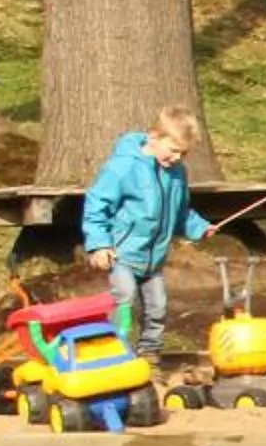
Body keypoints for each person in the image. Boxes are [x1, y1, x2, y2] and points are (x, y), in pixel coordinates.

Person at [81, 106, 214, 358]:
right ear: (154, 137)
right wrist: (99, 244)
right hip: (121, 253)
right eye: (173, 150)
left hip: (154, 258)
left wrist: (199, 227)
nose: (177, 158)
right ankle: (113, 349)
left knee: (158, 306)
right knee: (124, 296)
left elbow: (179, 210)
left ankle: (150, 351)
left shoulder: (177, 173)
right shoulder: (124, 167)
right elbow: (97, 205)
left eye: (184, 153)